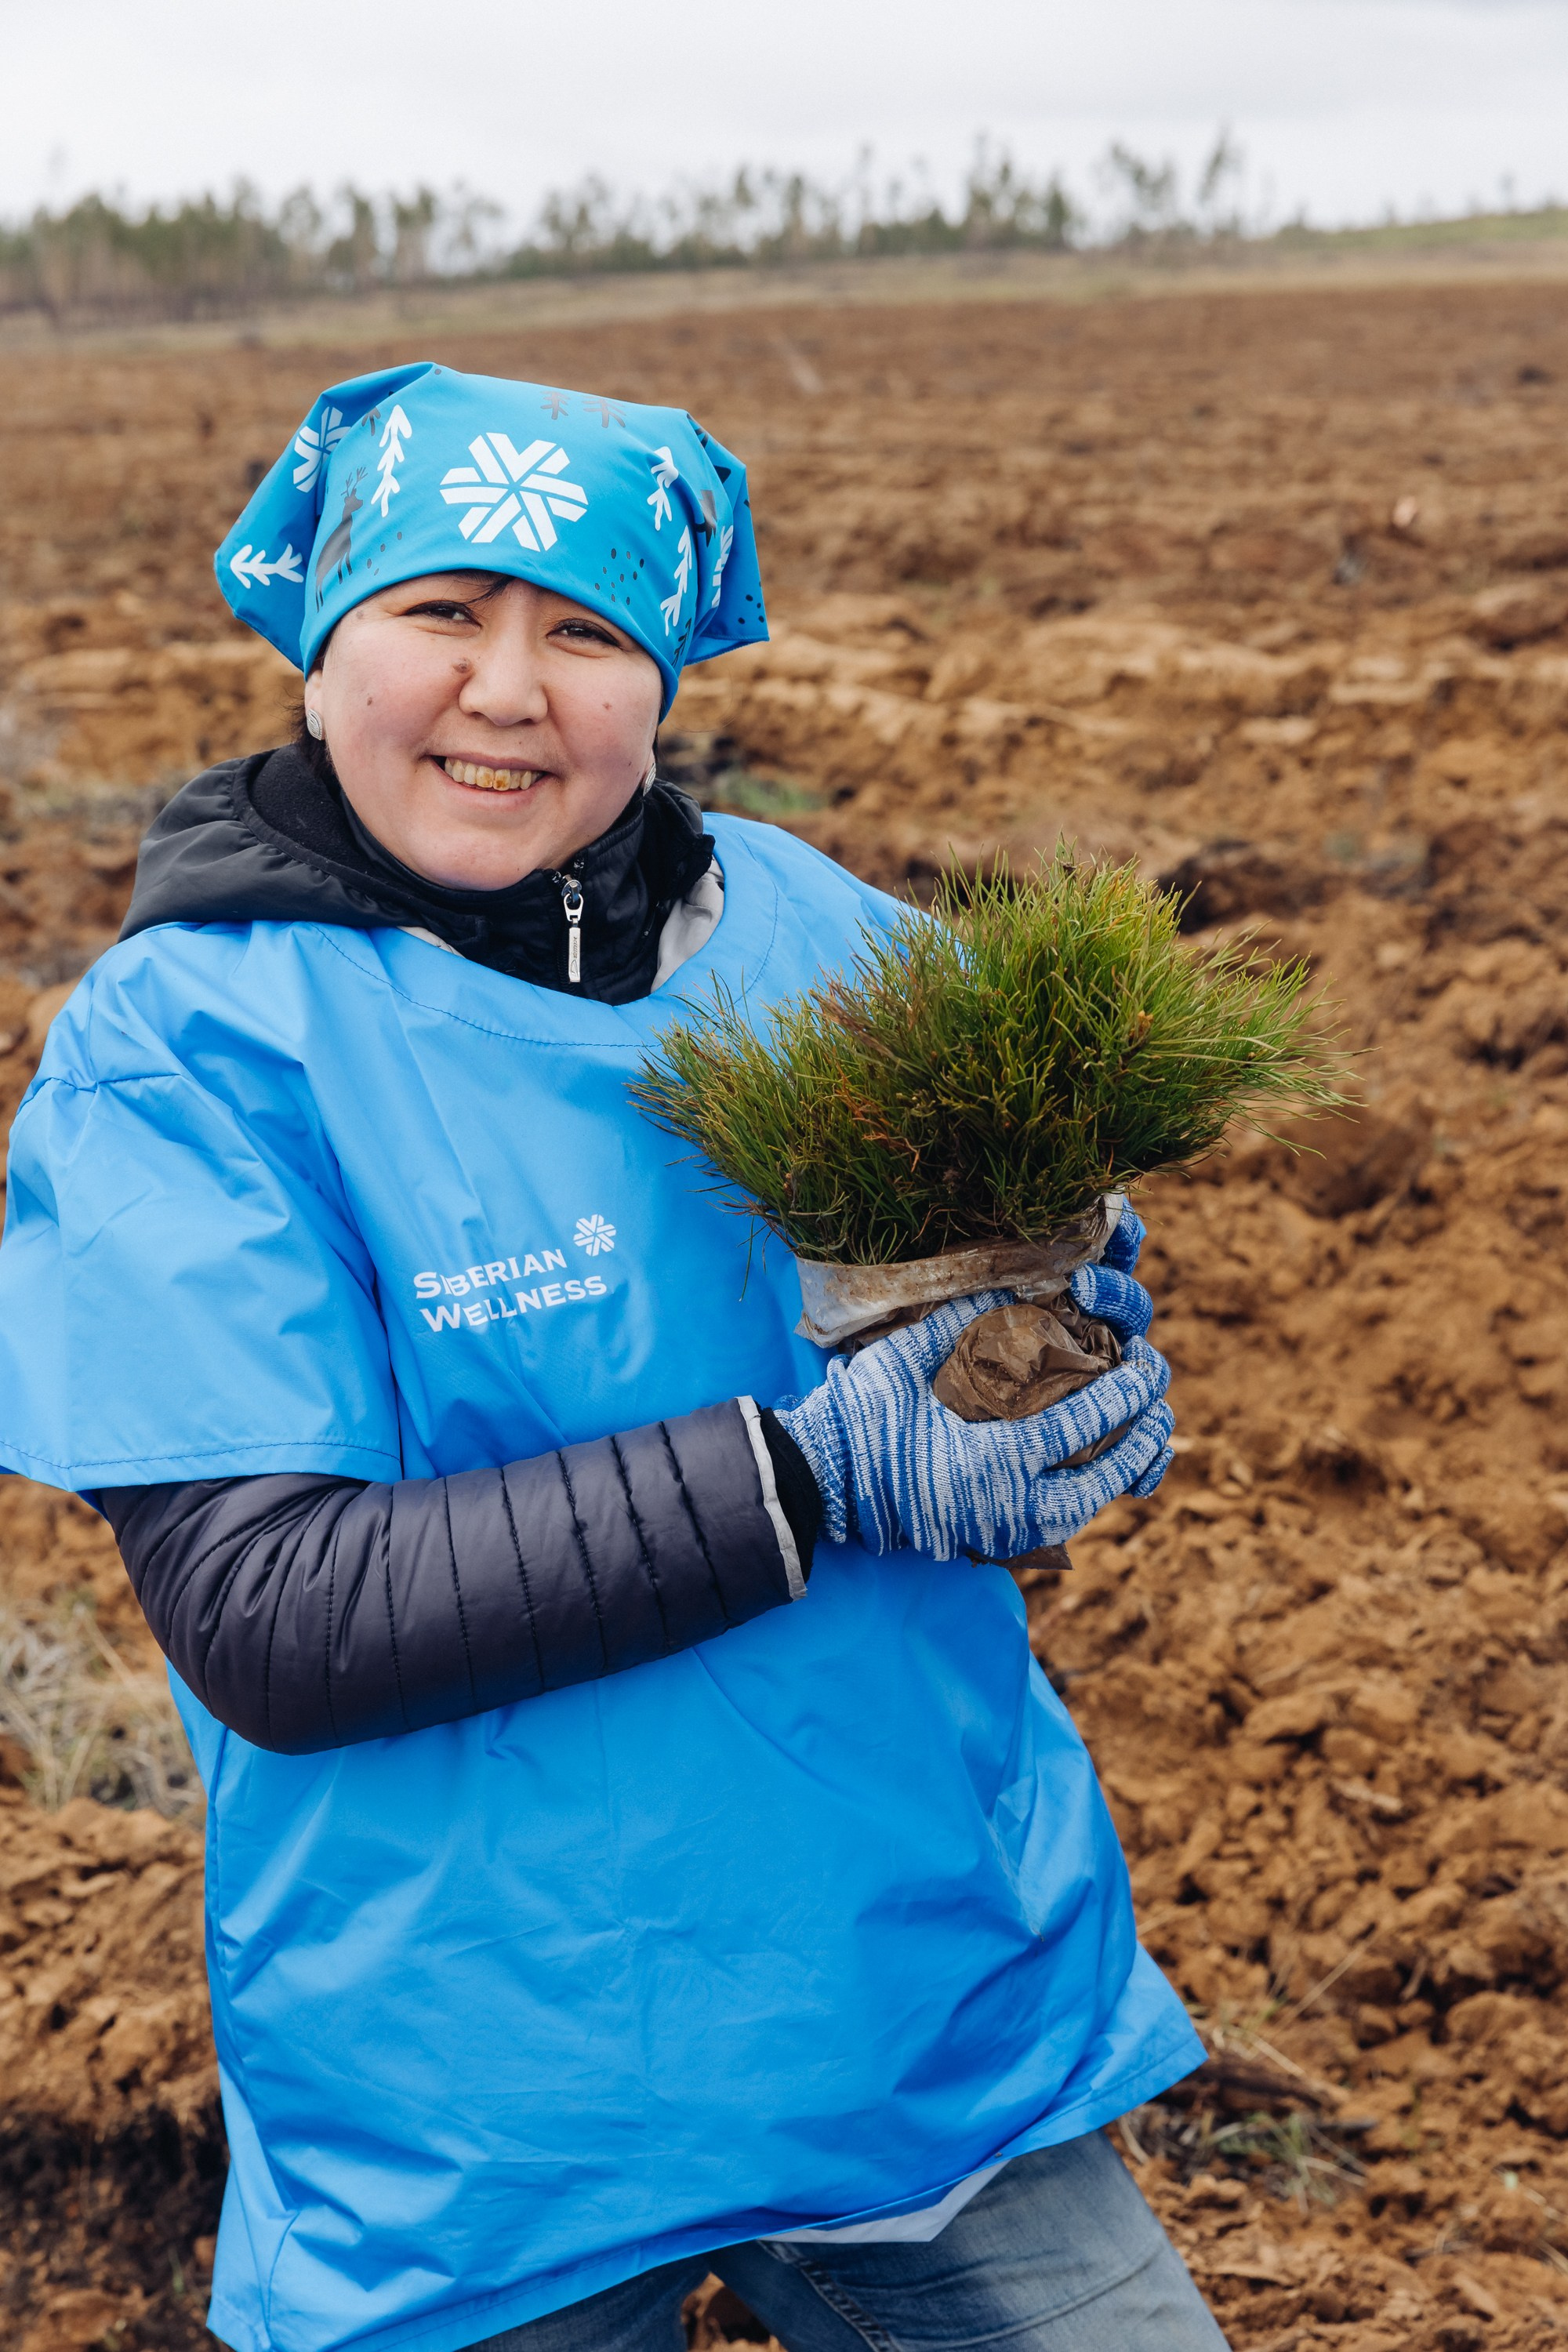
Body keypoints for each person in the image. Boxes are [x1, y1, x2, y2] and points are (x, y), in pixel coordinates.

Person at [0, 362, 1229, 2352]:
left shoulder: (822, 937)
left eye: (584, 632)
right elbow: (274, 1615)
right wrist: (811, 1475)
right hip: (482, 2119)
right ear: (319, 641)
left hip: (918, 2017)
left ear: (662, 678)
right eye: (439, 610)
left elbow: (982, 1327)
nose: (506, 690)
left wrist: (1046, 1361)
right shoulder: (194, 1048)